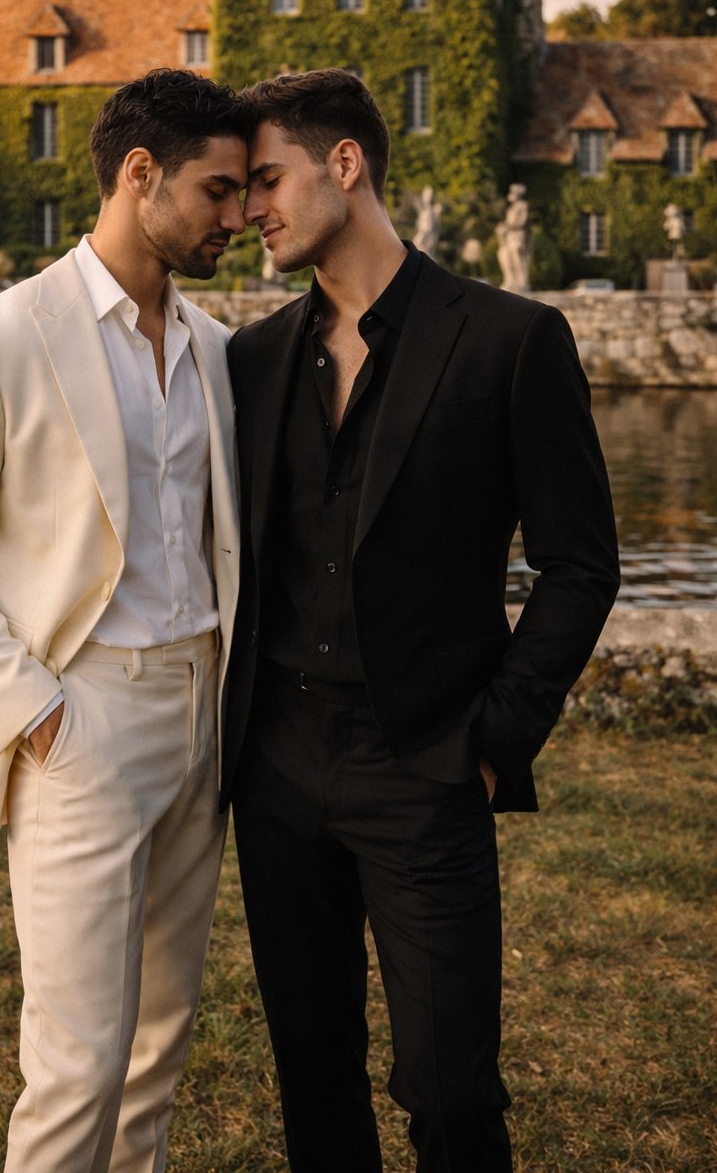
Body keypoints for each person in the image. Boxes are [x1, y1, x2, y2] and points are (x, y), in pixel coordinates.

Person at [222, 69, 620, 1173]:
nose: (250, 207)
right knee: (312, 1074)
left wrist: (493, 742)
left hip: (427, 765)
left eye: (267, 180)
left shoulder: (509, 338)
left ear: (344, 166)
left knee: (450, 1091)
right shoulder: (249, 359)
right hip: (275, 767)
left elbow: (579, 565)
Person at [0, 69, 248, 1173]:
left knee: (157, 1047)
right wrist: (43, 719)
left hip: (203, 718)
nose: (238, 219)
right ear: (139, 177)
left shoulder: (220, 347)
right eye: (216, 192)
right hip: (81, 721)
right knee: (78, 1059)